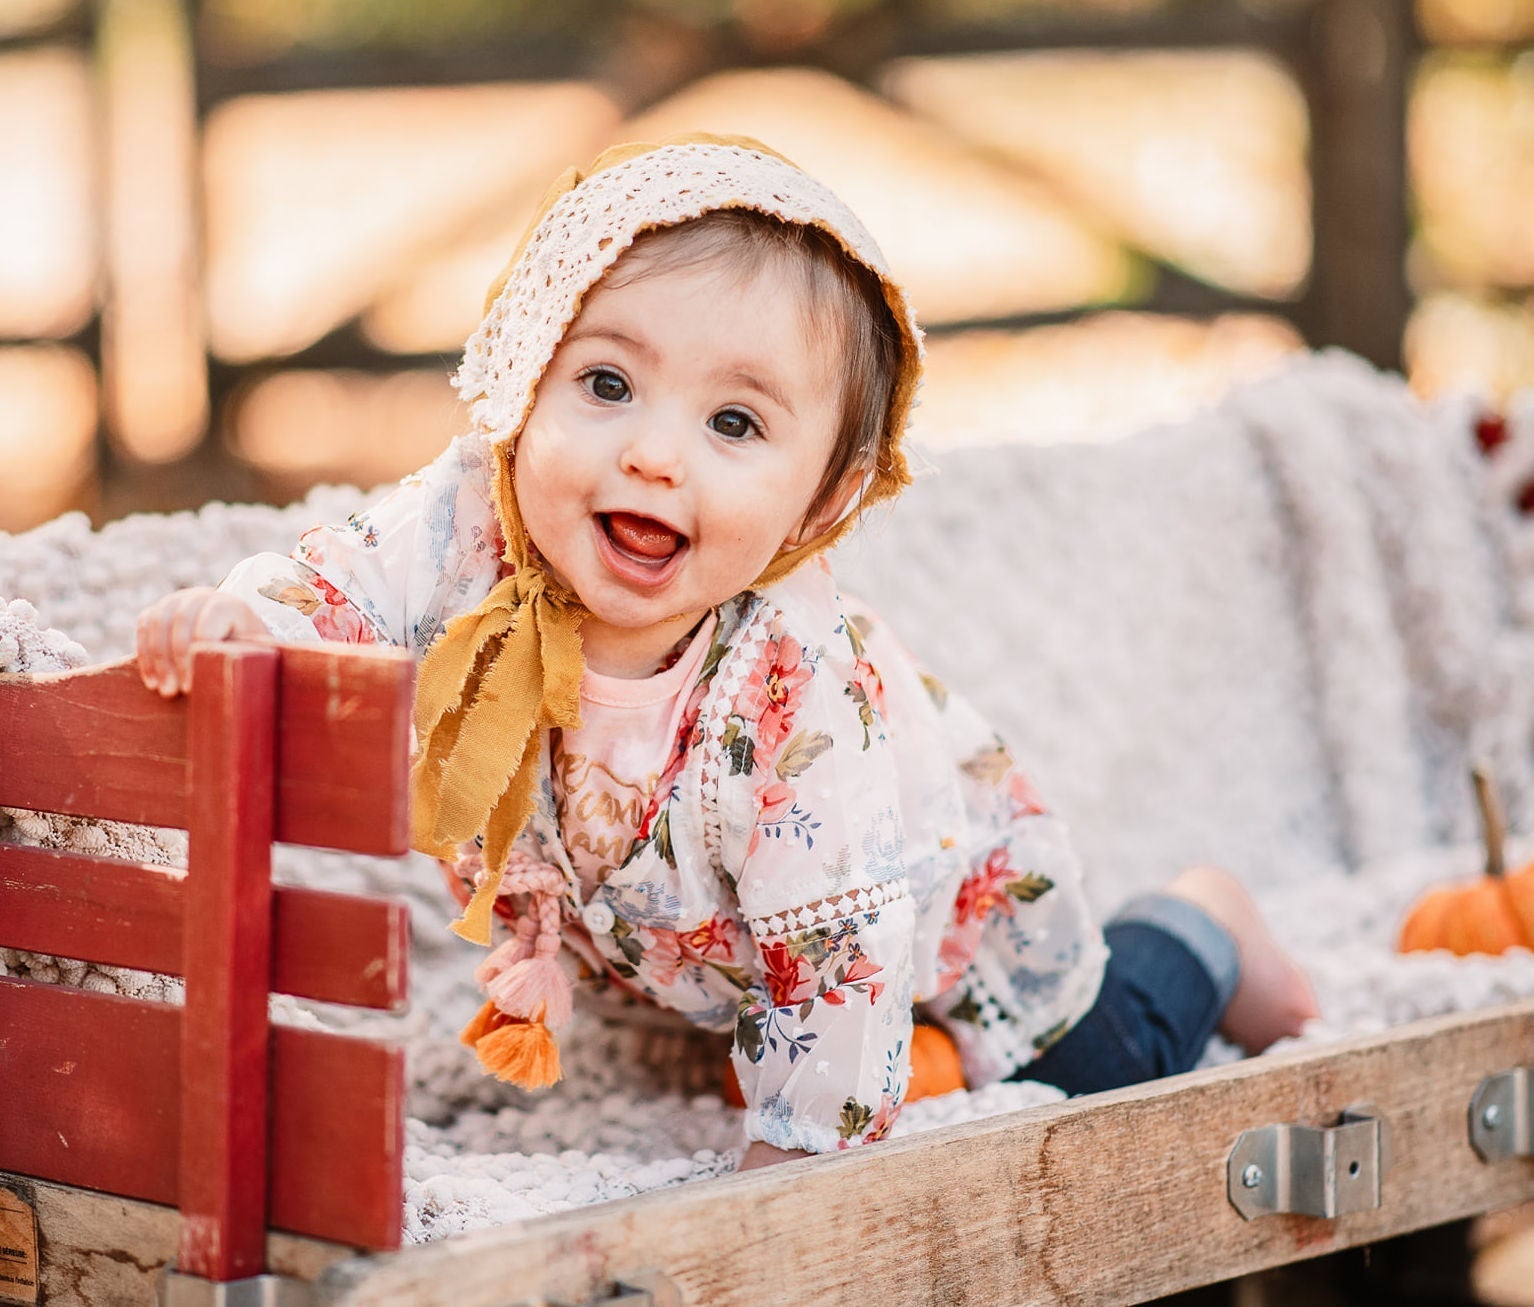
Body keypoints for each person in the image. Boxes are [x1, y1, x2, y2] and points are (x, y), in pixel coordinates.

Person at [135, 134, 1317, 1170]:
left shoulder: (797, 698)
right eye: (605, 382)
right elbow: (343, 581)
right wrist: (252, 622)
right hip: (713, 964)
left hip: (947, 926)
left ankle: (1200, 926)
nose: (655, 454)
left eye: (735, 422)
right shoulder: (471, 521)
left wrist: (789, 1161)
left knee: (1087, 1077)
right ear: (520, 379)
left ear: (819, 502)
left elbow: (843, 952)